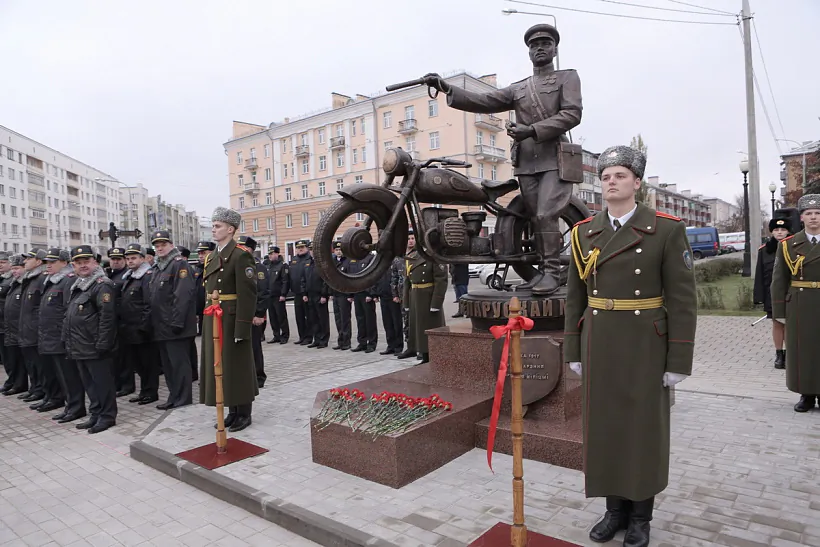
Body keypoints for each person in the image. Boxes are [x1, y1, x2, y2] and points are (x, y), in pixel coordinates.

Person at [563, 145, 697, 547]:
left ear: (637, 183)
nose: (611, 182)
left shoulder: (666, 229)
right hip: (600, 341)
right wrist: (573, 349)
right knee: (605, 427)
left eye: (619, 176)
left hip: (645, 345)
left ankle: (640, 516)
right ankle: (613, 511)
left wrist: (679, 360)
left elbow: (683, 301)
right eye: (605, 177)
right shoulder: (583, 233)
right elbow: (575, 297)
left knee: (642, 430)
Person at [423, 23, 582, 295]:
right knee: (534, 218)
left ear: (555, 49)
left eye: (545, 43)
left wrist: (531, 130)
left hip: (555, 159)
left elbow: (572, 114)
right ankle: (539, 273)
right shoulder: (519, 88)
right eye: (534, 45)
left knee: (545, 214)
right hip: (526, 163)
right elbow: (485, 100)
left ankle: (552, 273)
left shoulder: (567, 77)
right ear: (528, 52)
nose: (539, 48)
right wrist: (447, 88)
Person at [200, 207, 258, 432]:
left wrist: (242, 327)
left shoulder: (240, 255)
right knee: (221, 365)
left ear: (231, 229)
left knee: (237, 365)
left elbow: (248, 294)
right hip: (214, 317)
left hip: (232, 319)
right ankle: (231, 411)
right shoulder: (212, 256)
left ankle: (243, 413)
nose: (213, 230)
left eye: (218, 226)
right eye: (213, 226)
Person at [771, 194, 820, 413]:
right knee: (803, 350)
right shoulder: (788, 245)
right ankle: (806, 394)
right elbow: (779, 280)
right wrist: (779, 311)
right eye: (809, 213)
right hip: (800, 304)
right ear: (801, 218)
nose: (814, 217)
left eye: (818, 213)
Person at [64, 245, 119, 434]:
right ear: (73, 265)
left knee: (102, 384)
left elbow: (107, 317)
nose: (83, 265)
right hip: (80, 345)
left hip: (95, 346)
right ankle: (96, 414)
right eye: (78, 262)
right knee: (90, 384)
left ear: (95, 262)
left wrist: (103, 343)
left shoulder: (102, 284)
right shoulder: (79, 285)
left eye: (86, 261)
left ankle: (107, 416)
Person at [148, 230, 197, 410]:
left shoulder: (179, 265)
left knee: (179, 364)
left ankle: (183, 398)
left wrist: (177, 322)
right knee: (168, 366)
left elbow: (182, 295)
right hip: (161, 326)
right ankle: (174, 396)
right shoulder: (159, 267)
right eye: (157, 246)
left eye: (163, 245)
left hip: (176, 327)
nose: (160, 248)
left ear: (171, 245)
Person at [39, 249, 85, 422]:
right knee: (61, 376)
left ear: (65, 263)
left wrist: (65, 336)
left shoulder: (68, 280)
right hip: (51, 337)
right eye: (47, 262)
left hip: (61, 337)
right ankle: (69, 406)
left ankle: (76, 407)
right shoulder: (53, 281)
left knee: (69, 376)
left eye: (53, 262)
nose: (48, 265)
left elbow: (68, 310)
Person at [754, 213, 795, 369]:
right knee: (777, 323)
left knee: (790, 324)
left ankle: (791, 353)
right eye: (776, 229)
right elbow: (759, 275)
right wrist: (759, 297)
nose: (779, 232)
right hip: (772, 294)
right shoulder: (764, 250)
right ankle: (779, 354)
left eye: (783, 229)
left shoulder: (795, 247)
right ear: (771, 232)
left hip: (792, 293)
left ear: (788, 231)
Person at [119, 244, 158, 405]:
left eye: (133, 258)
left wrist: (144, 327)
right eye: (128, 258)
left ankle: (151, 392)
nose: (130, 261)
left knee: (148, 364)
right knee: (138, 365)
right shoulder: (130, 276)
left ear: (143, 258)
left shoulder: (147, 276)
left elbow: (149, 304)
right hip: (130, 329)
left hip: (142, 330)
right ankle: (144, 391)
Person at [20, 249, 57, 410]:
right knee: (35, 365)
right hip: (28, 329)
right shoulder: (31, 279)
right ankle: (41, 392)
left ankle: (47, 394)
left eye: (29, 258)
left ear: (38, 261)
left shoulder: (41, 278)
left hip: (38, 331)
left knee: (44, 368)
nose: (25, 261)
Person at [401, 240, 448, 364]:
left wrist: (436, 303)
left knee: (431, 327)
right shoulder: (412, 256)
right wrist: (406, 302)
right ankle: (423, 354)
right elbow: (407, 282)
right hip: (415, 296)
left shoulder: (435, 256)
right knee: (418, 329)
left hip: (428, 297)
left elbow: (441, 281)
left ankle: (433, 356)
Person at [237, 235, 271, 388]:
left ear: (250, 250)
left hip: (253, 315)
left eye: (242, 247)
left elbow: (263, 292)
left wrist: (259, 314)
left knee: (255, 347)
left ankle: (259, 377)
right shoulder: (239, 266)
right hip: (241, 314)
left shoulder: (258, 267)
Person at [2, 256, 28, 396]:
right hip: (8, 327)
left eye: (17, 268)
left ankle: (20, 384)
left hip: (19, 327)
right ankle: (14, 382)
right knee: (10, 359)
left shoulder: (23, 283)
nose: (14, 271)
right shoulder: (13, 282)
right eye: (13, 268)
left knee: (19, 360)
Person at [302, 245, 330, 349]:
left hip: (319, 295)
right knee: (313, 319)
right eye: (311, 250)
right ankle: (317, 339)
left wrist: (324, 295)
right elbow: (303, 279)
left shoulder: (322, 263)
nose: (312, 252)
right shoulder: (308, 263)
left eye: (314, 249)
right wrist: (304, 293)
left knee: (322, 319)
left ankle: (324, 340)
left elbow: (326, 280)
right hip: (310, 295)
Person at [348, 253, 378, 353]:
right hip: (357, 293)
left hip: (366, 294)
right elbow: (351, 277)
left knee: (370, 320)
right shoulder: (355, 258)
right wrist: (351, 294)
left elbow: (373, 276)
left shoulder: (370, 258)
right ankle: (362, 342)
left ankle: (372, 343)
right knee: (360, 319)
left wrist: (371, 293)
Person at [374, 256, 403, 356]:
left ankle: (398, 346)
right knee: (387, 323)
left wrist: (397, 294)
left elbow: (399, 278)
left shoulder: (396, 261)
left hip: (394, 297)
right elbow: (376, 278)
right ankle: (390, 345)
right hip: (383, 296)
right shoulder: (381, 263)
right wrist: (375, 294)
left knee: (396, 322)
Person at [289, 240, 312, 345]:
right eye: (298, 248)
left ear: (306, 248)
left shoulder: (309, 259)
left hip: (307, 293)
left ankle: (309, 336)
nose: (300, 249)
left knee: (308, 316)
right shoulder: (294, 260)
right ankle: (302, 336)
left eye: (302, 247)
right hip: (297, 293)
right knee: (299, 316)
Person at [331, 242, 352, 351]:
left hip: (344, 295)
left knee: (345, 319)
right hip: (336, 294)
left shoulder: (347, 262)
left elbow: (350, 279)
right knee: (338, 319)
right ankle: (340, 341)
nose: (338, 252)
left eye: (340, 249)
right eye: (336, 250)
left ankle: (346, 341)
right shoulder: (333, 262)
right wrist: (331, 293)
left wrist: (349, 295)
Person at [266, 246, 290, 344]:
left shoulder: (282, 265)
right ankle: (276, 335)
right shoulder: (268, 266)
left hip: (278, 296)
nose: (270, 256)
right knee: (273, 317)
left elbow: (285, 281)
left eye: (272, 254)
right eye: (269, 254)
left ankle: (285, 335)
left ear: (277, 254)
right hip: (270, 295)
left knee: (281, 316)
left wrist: (283, 294)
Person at [0, 252, 14, 394]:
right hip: (2, 325)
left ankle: (15, 382)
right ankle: (12, 381)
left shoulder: (11, 280)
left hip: (8, 325)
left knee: (11, 358)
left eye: (3, 262)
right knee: (5, 358)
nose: (0, 265)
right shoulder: (2, 279)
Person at [195, 241, 216, 336]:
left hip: (213, 309)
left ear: (211, 253)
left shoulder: (216, 267)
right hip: (201, 311)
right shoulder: (198, 268)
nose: (200, 256)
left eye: (203, 253)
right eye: (199, 253)